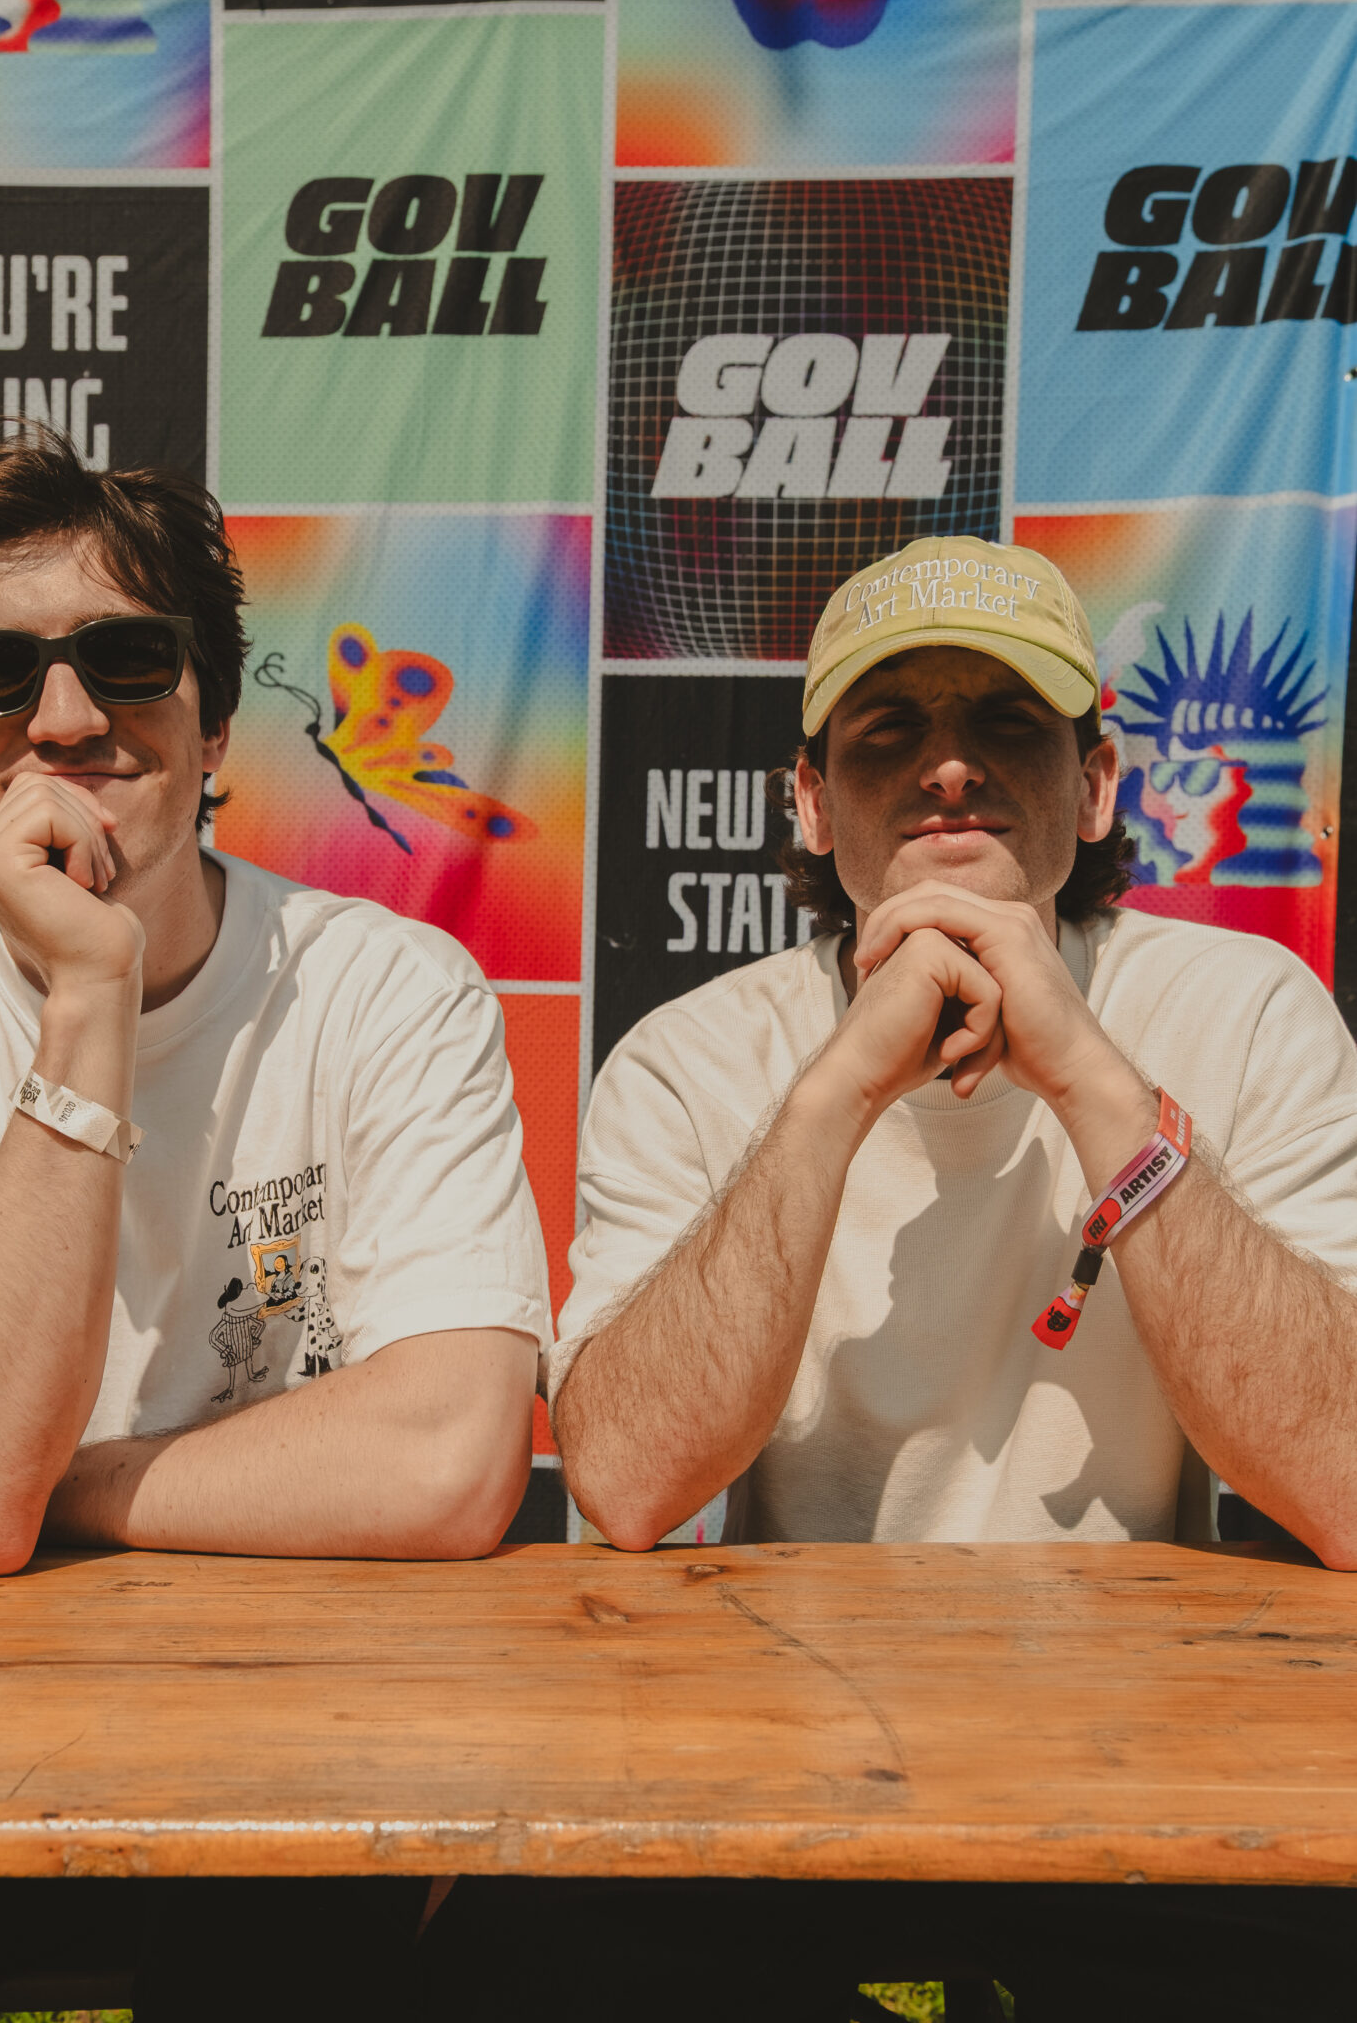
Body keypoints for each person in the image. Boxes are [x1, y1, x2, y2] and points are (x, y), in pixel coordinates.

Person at [519, 532, 1357, 2021]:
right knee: (529, 1965)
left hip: (1152, 1735)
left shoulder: (1242, 1013)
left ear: (1096, 785)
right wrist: (840, 1084)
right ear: (808, 799)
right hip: (775, 1730)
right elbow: (629, 1481)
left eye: (1006, 722)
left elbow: (1343, 1478)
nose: (949, 767)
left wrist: (1087, 1074)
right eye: (888, 728)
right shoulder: (694, 1058)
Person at [0, 433, 550, 1579]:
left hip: (324, 1660)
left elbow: (446, 1465)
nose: (65, 719)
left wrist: (30, 1485)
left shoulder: (392, 991)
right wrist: (89, 993)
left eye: (126, 656)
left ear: (213, 726)